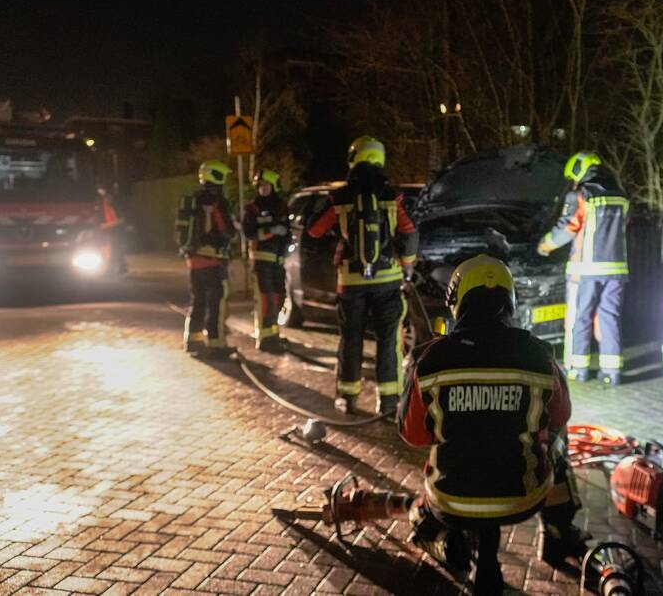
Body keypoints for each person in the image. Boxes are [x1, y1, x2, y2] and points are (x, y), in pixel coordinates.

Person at [398, 255, 591, 595]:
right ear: (509, 300)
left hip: (450, 498)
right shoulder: (539, 355)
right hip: (523, 497)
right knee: (559, 447)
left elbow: (413, 435)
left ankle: (442, 541)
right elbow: (560, 418)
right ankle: (559, 537)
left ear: (457, 302)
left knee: (431, 495)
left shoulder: (432, 358)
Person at [307, 136, 418, 415]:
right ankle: (389, 401)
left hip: (351, 282)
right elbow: (409, 231)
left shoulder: (341, 197)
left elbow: (314, 230)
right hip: (387, 281)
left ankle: (347, 398)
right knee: (389, 340)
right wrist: (406, 263)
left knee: (351, 338)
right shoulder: (391, 195)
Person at [537, 152, 629, 385]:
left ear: (579, 171)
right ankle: (612, 372)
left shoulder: (580, 195)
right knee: (609, 317)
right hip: (616, 270)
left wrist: (544, 245)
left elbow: (568, 228)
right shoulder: (621, 196)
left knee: (580, 319)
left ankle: (578, 369)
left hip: (585, 270)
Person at [176, 159, 237, 360]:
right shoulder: (217, 201)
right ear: (216, 176)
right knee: (217, 303)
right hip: (213, 261)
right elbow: (227, 231)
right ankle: (216, 345)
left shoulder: (193, 200)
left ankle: (193, 341)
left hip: (194, 261)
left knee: (198, 301)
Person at [242, 169, 290, 352]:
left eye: (265, 185)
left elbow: (287, 230)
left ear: (273, 186)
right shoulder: (253, 208)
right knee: (266, 299)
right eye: (260, 186)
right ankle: (264, 339)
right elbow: (249, 233)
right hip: (261, 259)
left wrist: (285, 245)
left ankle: (273, 334)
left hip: (278, 260)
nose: (262, 188)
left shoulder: (281, 206)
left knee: (279, 297)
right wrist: (271, 231)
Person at [97, 186, 128, 275]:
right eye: (107, 198)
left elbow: (121, 219)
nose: (109, 200)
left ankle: (120, 268)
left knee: (117, 251)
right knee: (111, 253)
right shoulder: (102, 210)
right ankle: (112, 269)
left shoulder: (113, 208)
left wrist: (118, 223)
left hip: (115, 233)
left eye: (110, 198)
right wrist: (116, 222)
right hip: (108, 234)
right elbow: (101, 225)